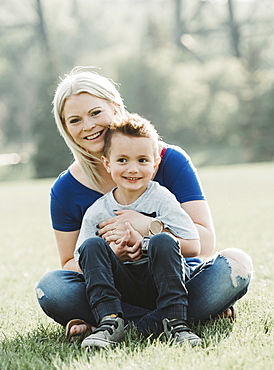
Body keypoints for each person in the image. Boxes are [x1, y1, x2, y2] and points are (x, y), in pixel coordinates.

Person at [35, 66, 253, 343]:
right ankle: (174, 318)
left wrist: (148, 227)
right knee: (52, 288)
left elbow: (204, 243)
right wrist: (113, 255)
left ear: (115, 108)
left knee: (236, 264)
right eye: (74, 120)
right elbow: (69, 263)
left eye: (95, 113)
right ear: (65, 128)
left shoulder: (168, 160)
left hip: (179, 281)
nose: (88, 126)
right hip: (114, 288)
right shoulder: (66, 189)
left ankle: (115, 323)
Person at [75, 113, 202, 348]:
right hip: (124, 288)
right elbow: (81, 262)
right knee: (90, 246)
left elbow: (194, 245)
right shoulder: (97, 211)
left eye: (142, 160)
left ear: (155, 165)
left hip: (165, 279)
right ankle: (110, 322)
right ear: (107, 163)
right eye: (122, 160)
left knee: (163, 241)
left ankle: (175, 322)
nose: (133, 169)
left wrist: (145, 241)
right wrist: (114, 254)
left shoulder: (162, 198)